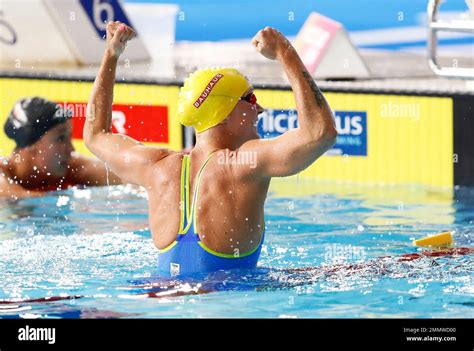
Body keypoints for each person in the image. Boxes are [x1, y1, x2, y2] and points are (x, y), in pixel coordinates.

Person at [84, 22, 337, 276]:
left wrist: (111, 55)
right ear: (223, 111)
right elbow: (320, 133)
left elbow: (95, 134)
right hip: (229, 299)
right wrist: (285, 52)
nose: (259, 109)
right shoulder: (244, 165)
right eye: (250, 99)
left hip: (158, 295)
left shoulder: (155, 168)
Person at [0, 97, 122, 199]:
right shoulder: (3, 173)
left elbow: (129, 178)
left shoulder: (70, 168)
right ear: (31, 145)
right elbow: (12, 198)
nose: (71, 149)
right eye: (60, 138)